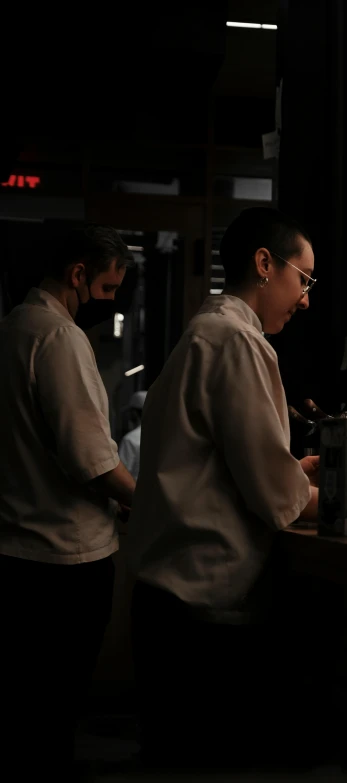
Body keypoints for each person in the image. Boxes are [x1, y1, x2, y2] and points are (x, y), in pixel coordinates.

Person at [127, 207, 319, 771]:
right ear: (265, 264)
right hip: (198, 610)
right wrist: (335, 495)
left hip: (164, 602)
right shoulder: (238, 341)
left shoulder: (204, 332)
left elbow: (218, 463)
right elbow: (274, 499)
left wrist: (289, 471)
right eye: (303, 280)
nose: (305, 299)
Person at [0, 223, 136, 779]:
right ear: (77, 274)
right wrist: (150, 502)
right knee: (53, 715)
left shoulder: (11, 328)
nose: (108, 303)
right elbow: (93, 462)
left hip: (14, 550)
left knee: (23, 714)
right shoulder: (58, 337)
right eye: (106, 290)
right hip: (62, 561)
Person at [119, 390, 147, 480]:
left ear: (134, 413)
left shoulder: (130, 439)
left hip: (134, 492)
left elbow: (122, 476)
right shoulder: (163, 436)